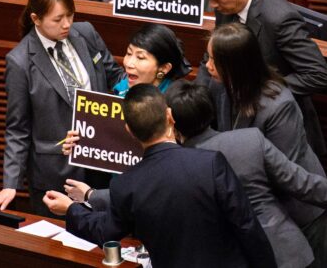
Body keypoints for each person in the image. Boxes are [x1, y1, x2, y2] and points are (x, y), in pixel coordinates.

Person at [44, 84, 277, 268]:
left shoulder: (127, 185)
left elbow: (104, 232)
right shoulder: (210, 163)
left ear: (129, 131)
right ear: (170, 116)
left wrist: (71, 209)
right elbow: (247, 227)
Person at [165, 79, 327, 268]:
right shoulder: (250, 140)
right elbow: (299, 181)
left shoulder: (179, 167)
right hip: (286, 253)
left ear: (171, 121)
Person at [0, 0, 123, 216]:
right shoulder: (20, 61)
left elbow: (115, 77)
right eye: (58, 19)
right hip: (57, 173)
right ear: (36, 19)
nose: (67, 25)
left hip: (101, 161)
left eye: (70, 15)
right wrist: (10, 184)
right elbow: (18, 128)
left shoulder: (85, 33)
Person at [204, 22, 327, 268]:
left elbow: (285, 172)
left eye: (213, 60)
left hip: (299, 206)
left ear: (234, 65)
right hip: (258, 206)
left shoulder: (278, 105)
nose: (207, 66)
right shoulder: (219, 86)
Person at [191, 0, 327, 156]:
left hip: (282, 134)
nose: (212, 6)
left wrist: (259, 90)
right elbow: (212, 56)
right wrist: (196, 100)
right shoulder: (227, 7)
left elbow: (318, 75)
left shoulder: (279, 18)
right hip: (240, 125)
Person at [61, 22, 190, 207]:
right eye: (129, 53)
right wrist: (79, 145)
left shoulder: (177, 103)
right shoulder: (118, 93)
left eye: (140, 57)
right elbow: (106, 149)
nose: (129, 63)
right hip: (117, 198)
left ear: (164, 68)